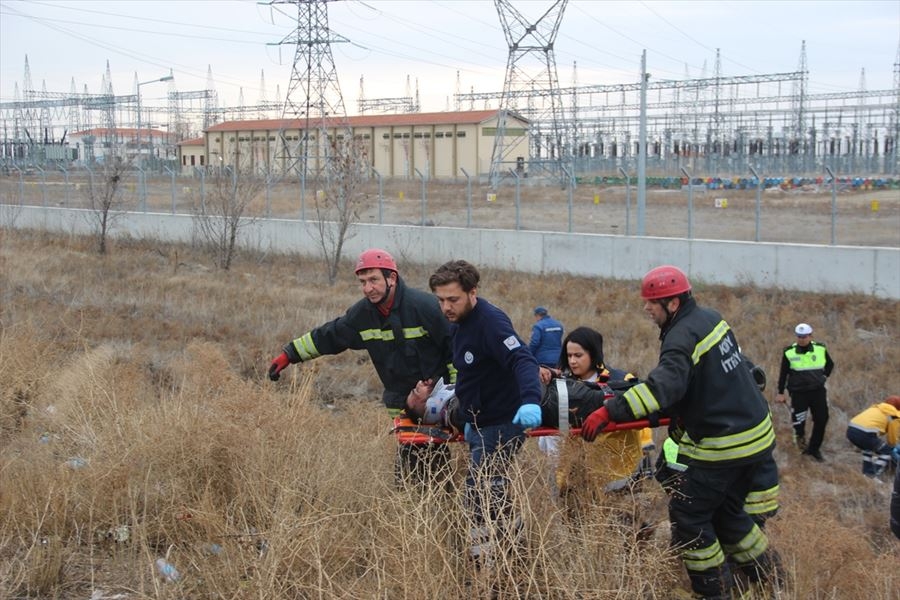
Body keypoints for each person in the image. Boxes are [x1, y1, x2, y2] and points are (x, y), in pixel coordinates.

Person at [581, 265, 780, 600]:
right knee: (728, 514)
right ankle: (770, 575)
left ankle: (714, 590)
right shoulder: (712, 318)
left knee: (688, 514)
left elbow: (663, 389)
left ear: (673, 304)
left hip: (724, 445)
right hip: (757, 435)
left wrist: (608, 410)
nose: (646, 308)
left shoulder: (679, 337)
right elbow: (710, 377)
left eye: (652, 303)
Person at [267, 248, 455, 485]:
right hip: (399, 401)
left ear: (392, 278)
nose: (368, 288)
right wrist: (289, 355)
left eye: (374, 280)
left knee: (433, 459)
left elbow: (456, 347)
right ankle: (418, 507)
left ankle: (435, 506)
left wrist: (458, 391)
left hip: (437, 399)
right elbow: (329, 336)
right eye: (363, 282)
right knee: (412, 462)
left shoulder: (424, 307)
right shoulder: (362, 314)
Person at [427, 259, 542, 569]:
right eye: (441, 300)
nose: (446, 307)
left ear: (472, 292)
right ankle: (514, 560)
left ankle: (488, 568)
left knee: (480, 497)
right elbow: (470, 373)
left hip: (503, 423)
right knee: (494, 496)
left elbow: (523, 360)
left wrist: (531, 400)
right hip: (480, 423)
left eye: (453, 299)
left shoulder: (490, 322)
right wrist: (468, 418)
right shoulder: (459, 323)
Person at [537, 327, 645, 511]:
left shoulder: (622, 380)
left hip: (618, 472)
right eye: (569, 355)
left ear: (593, 354)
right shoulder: (562, 387)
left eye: (578, 355)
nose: (572, 361)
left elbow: (641, 411)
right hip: (577, 478)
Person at [775, 322, 835, 462]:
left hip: (817, 392)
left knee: (822, 419)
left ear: (810, 336)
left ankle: (814, 449)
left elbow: (830, 364)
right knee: (798, 422)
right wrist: (780, 392)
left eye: (804, 336)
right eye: (799, 336)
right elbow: (783, 374)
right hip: (799, 393)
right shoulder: (789, 352)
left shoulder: (820, 349)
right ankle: (801, 448)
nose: (802, 339)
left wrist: (823, 377)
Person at [846, 395, 900, 477]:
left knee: (868, 448)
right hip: (865, 434)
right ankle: (870, 475)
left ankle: (866, 472)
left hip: (851, 430)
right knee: (887, 452)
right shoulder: (894, 415)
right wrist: (892, 447)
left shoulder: (876, 408)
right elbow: (892, 439)